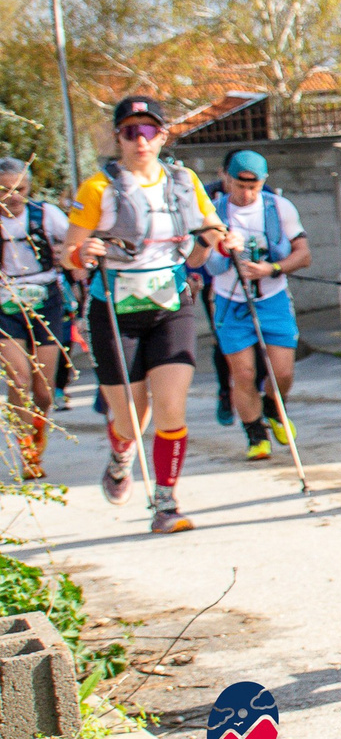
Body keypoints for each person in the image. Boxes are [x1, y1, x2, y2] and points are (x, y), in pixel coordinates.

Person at [65, 96, 222, 533]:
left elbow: (198, 250)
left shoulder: (183, 181)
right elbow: (70, 259)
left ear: (163, 136)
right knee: (132, 419)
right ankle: (121, 455)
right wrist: (86, 251)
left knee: (171, 407)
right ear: (118, 136)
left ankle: (166, 502)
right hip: (114, 311)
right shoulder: (98, 189)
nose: (141, 140)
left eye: (150, 131)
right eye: (131, 131)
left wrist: (214, 237)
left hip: (171, 306)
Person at [200, 150, 309, 461]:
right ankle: (255, 434)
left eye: (254, 186)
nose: (246, 193)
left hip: (272, 299)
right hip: (230, 301)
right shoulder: (213, 213)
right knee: (244, 373)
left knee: (282, 372)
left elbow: (303, 254)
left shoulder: (280, 208)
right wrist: (219, 247)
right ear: (227, 179)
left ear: (263, 182)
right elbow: (203, 262)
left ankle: (275, 407)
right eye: (239, 186)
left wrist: (271, 269)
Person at [0, 158, 77, 479]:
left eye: (21, 189)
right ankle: (25, 448)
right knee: (18, 379)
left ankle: (37, 433)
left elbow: (73, 242)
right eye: (5, 190)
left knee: (43, 389)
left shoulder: (46, 215)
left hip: (46, 299)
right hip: (5, 303)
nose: (14, 197)